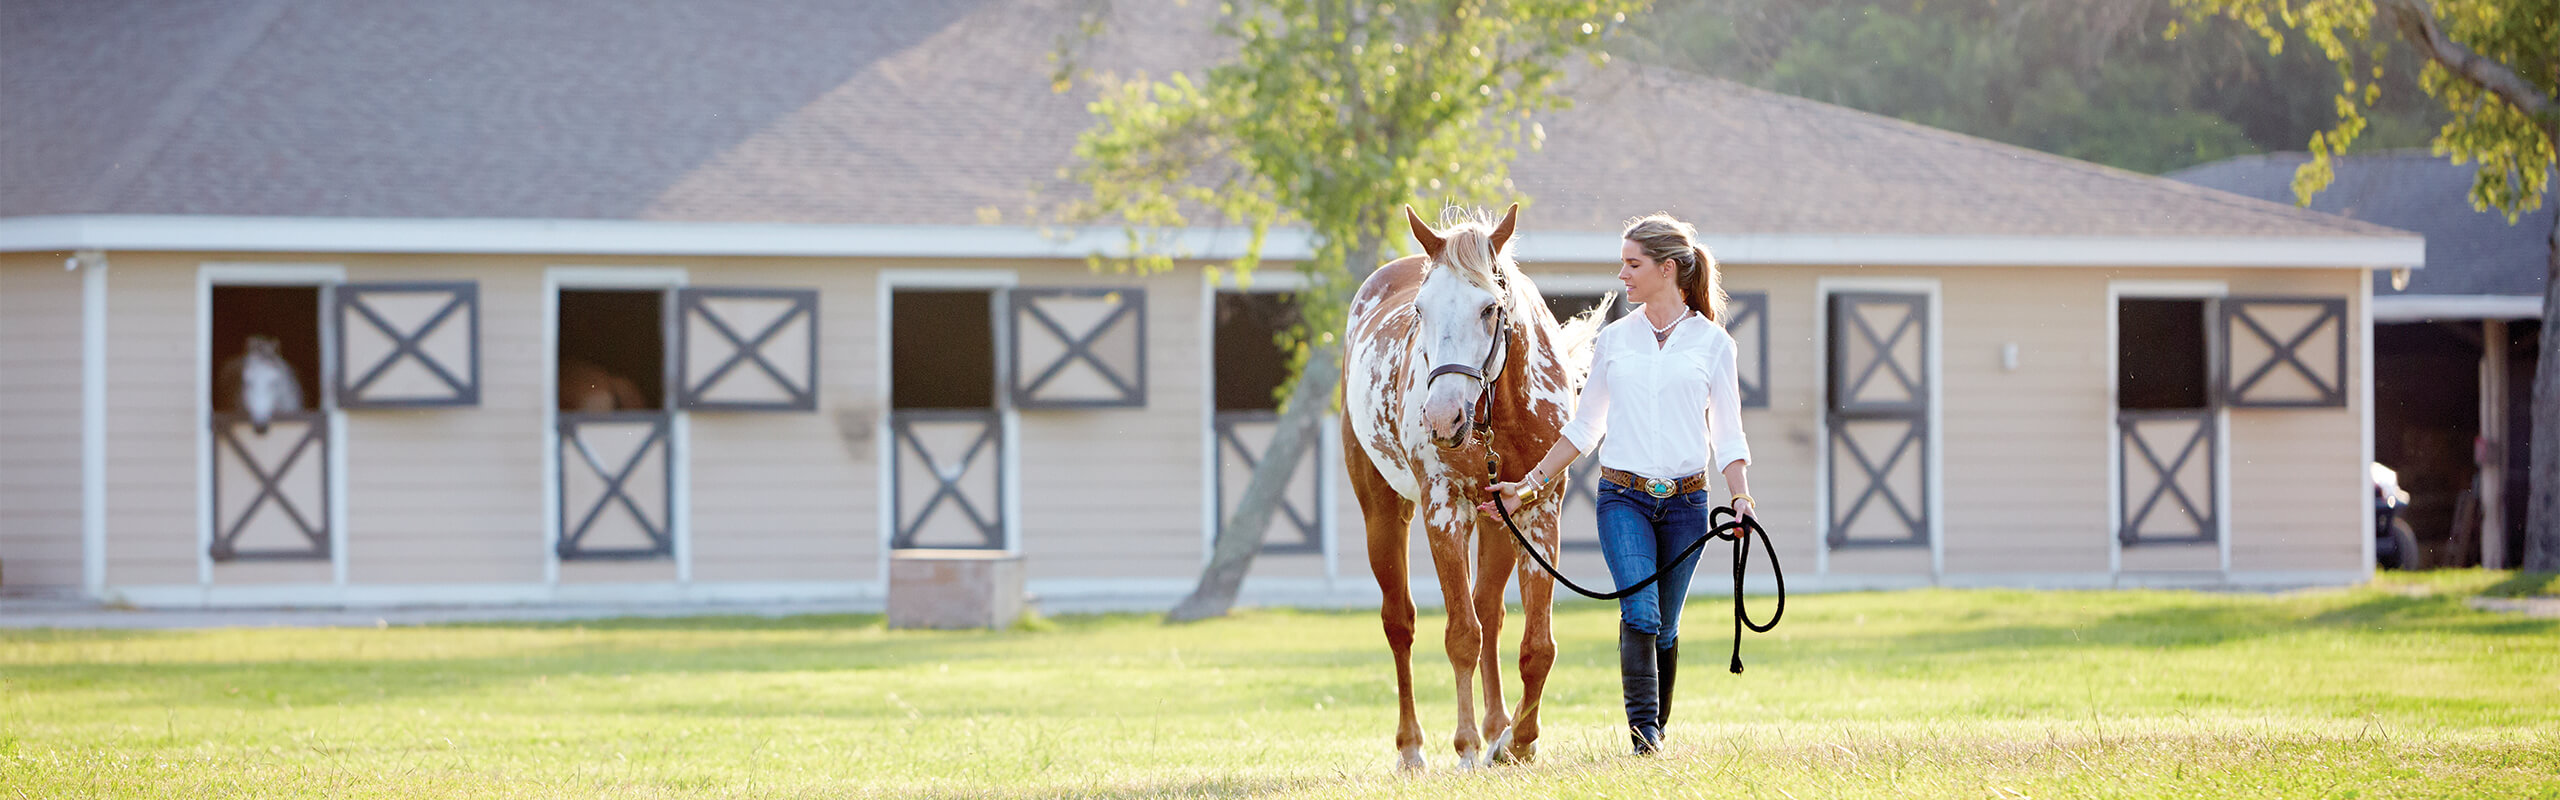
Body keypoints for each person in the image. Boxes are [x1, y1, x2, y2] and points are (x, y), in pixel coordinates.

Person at [1482, 213, 1755, 755]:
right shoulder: (1615, 341)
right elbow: (1584, 428)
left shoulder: (1713, 345)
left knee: (1667, 628)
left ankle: (1654, 731)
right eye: (1623, 263)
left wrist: (1741, 497)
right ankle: (1644, 739)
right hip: (1622, 499)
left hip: (1687, 504)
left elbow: (1728, 433)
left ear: (1668, 269)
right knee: (1641, 612)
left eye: (1633, 264)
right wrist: (1528, 486)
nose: (1623, 275)